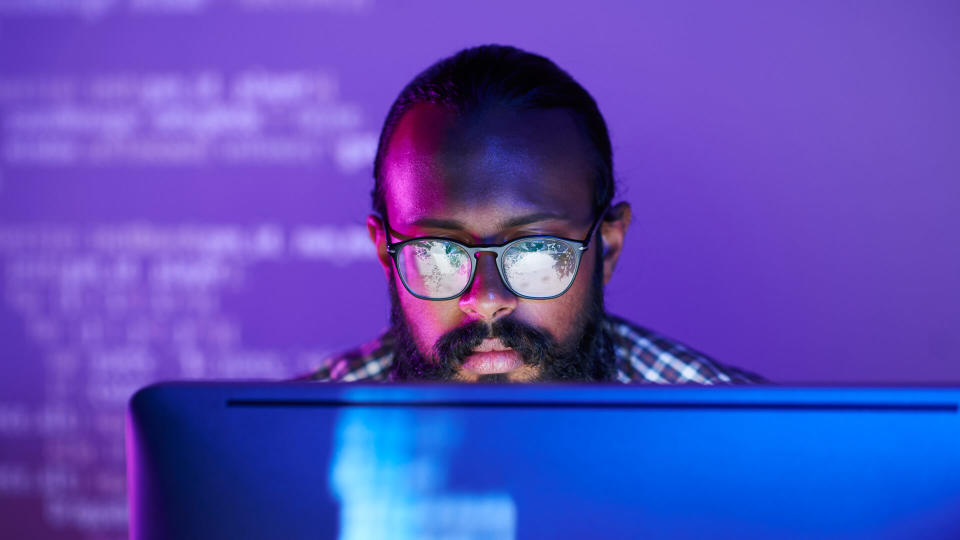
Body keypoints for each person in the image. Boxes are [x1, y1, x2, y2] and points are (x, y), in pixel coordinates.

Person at [305, 45, 763, 384]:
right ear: (386, 253)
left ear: (607, 247)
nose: (486, 300)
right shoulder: (287, 440)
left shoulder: (750, 442)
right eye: (439, 255)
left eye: (537, 251)